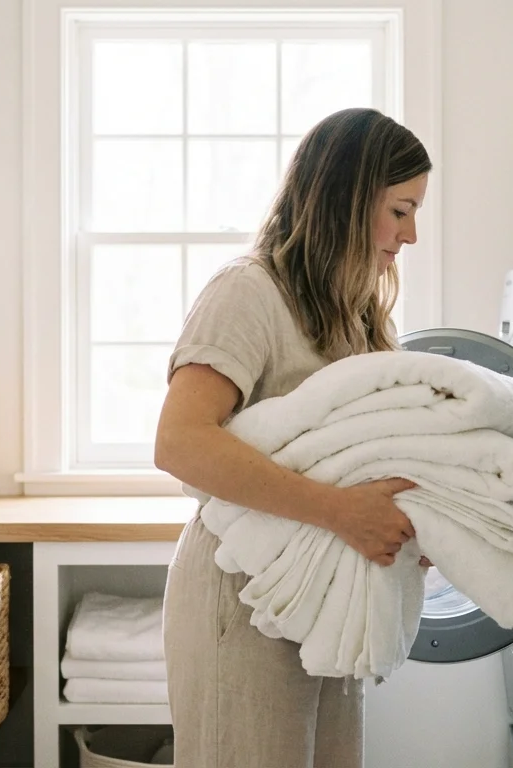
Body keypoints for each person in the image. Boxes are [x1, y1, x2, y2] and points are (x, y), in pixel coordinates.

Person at [155, 107, 432, 768]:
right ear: (348, 199)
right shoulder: (248, 292)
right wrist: (345, 513)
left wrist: (413, 524)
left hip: (324, 596)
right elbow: (180, 443)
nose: (412, 234)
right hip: (241, 597)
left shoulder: (354, 310)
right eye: (400, 210)